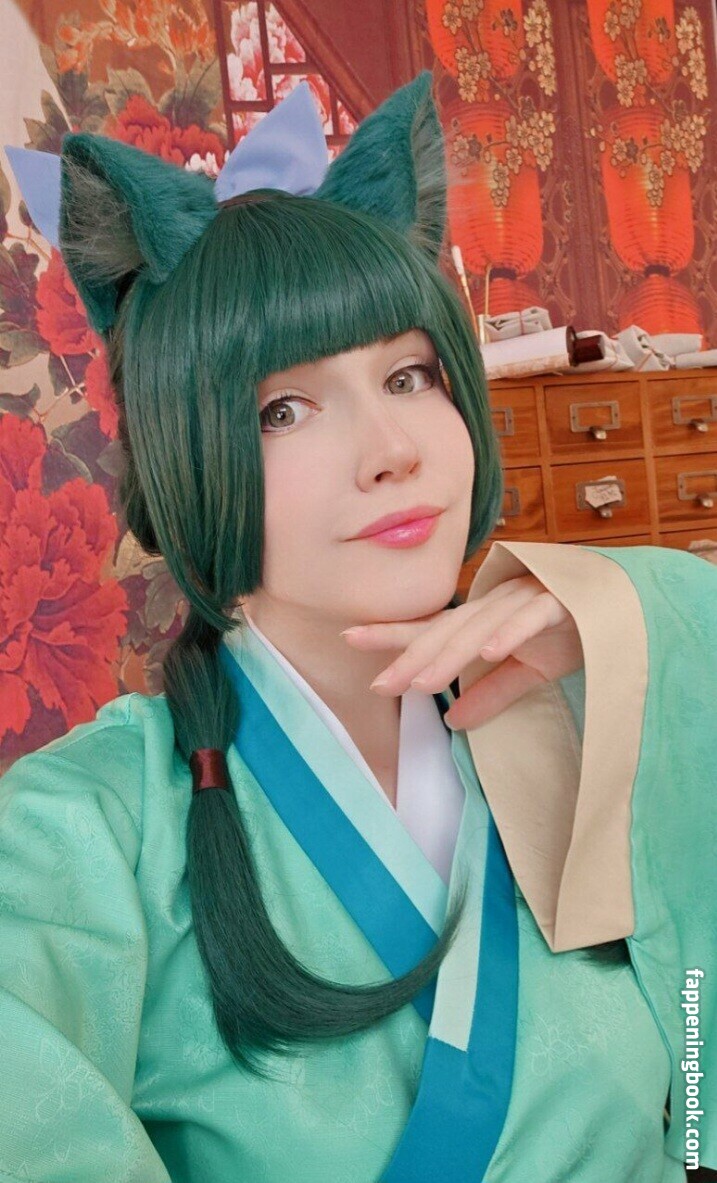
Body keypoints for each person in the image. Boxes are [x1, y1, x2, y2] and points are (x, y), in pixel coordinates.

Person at [2, 72, 716, 1183]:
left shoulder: (603, 701)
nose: (392, 449)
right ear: (189, 460)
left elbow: (697, 1092)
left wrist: (639, 623)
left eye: (410, 375)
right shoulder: (80, 834)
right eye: (282, 409)